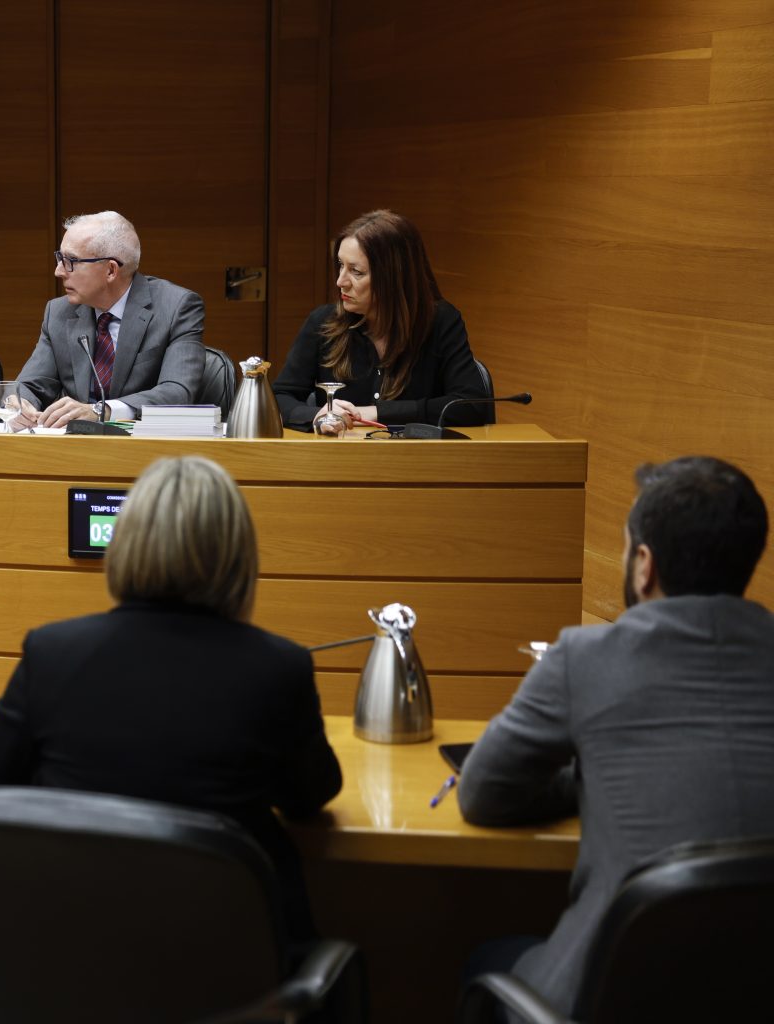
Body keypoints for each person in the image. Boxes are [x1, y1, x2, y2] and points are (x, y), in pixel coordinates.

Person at [0, 455, 341, 938]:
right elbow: (310, 798)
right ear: (239, 557)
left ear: (127, 544)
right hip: (225, 957)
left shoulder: (52, 652)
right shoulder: (278, 667)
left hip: (72, 951)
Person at [458, 456, 774, 1016]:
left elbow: (483, 793)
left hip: (606, 994)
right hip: (753, 991)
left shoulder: (586, 656)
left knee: (484, 958)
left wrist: (584, 778)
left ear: (644, 565)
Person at [273, 209, 488, 430]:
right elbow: (278, 398)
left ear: (393, 277)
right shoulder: (323, 322)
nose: (340, 281)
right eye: (340, 265)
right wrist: (318, 415)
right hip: (341, 451)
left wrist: (377, 413)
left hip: (413, 451)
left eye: (356, 272)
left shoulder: (441, 321)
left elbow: (471, 405)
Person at [15, 211, 205, 428]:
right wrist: (20, 403)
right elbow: (31, 384)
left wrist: (101, 411)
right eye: (60, 259)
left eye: (70, 261)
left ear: (111, 270)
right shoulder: (59, 312)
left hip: (144, 443)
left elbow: (178, 391)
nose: (58, 271)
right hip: (73, 444)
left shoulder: (176, 307)